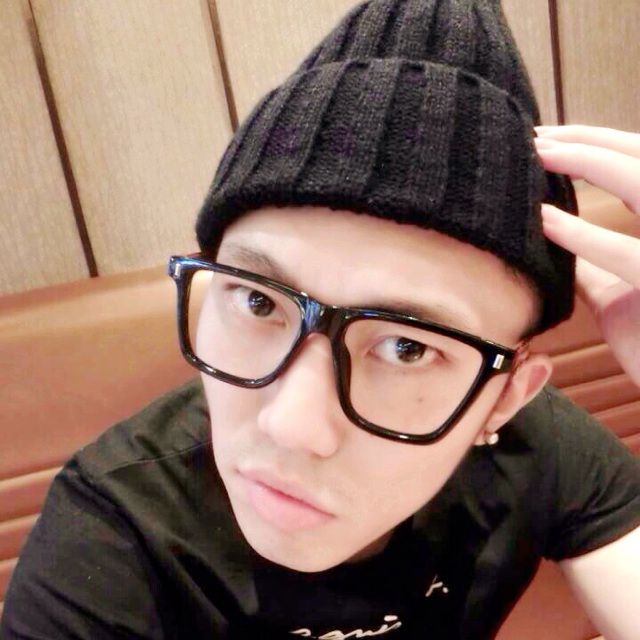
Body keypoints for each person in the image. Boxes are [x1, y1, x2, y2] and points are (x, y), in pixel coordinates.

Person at [2, 1, 639, 639]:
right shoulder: (112, 539)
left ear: (504, 399)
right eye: (258, 301)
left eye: (407, 347)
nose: (292, 425)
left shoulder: (536, 444)